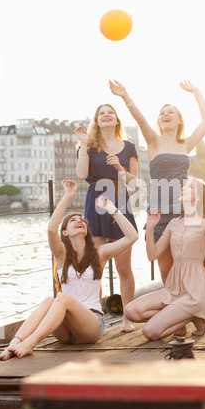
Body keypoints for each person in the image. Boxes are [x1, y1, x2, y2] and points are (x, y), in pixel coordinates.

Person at [0, 180, 138, 361]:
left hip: (91, 325)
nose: (79, 221)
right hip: (65, 330)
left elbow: (132, 236)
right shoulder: (61, 255)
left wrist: (111, 208)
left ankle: (30, 342)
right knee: (50, 299)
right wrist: (68, 195)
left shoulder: (99, 253)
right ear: (65, 232)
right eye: (73, 220)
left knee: (61, 298)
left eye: (81, 220)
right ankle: (13, 344)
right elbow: (50, 229)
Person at [109, 79, 205, 285]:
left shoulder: (186, 144)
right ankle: (174, 309)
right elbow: (139, 119)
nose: (165, 115)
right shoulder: (153, 141)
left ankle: (189, 305)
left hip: (185, 212)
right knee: (166, 270)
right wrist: (125, 96)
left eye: (170, 112)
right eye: (162, 113)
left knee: (187, 266)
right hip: (159, 213)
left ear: (179, 120)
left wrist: (196, 92)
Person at [124, 179, 205, 340]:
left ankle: (190, 314)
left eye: (189, 186)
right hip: (172, 288)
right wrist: (149, 228)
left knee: (150, 332)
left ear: (198, 198)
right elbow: (152, 255)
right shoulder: (173, 223)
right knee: (130, 311)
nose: (183, 188)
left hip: (193, 292)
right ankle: (181, 319)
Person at [75, 103, 138, 332]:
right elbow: (82, 174)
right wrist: (83, 145)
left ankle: (127, 318)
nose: (106, 115)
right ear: (97, 120)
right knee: (95, 267)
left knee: (124, 268)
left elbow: (134, 182)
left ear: (116, 119)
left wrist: (120, 168)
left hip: (120, 202)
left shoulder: (129, 147)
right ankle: (95, 318)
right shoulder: (88, 146)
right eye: (101, 113)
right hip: (95, 203)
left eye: (110, 112)